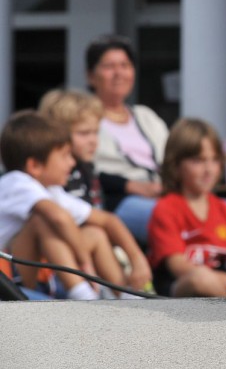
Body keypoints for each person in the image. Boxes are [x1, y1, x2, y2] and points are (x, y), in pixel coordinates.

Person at [0, 111, 151, 299]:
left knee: (95, 233)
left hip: (38, 280)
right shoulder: (15, 182)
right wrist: (84, 263)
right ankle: (84, 296)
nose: (72, 163)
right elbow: (60, 218)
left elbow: (107, 220)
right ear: (35, 166)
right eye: (65, 156)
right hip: (9, 285)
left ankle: (126, 296)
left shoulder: (51, 191)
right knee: (41, 221)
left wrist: (138, 260)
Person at [147, 118, 226, 297]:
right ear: (175, 165)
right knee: (202, 278)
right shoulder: (166, 208)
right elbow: (178, 267)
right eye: (198, 161)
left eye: (215, 160)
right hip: (179, 292)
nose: (209, 169)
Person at [87, 35, 168, 244]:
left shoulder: (145, 115)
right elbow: (82, 168)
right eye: (109, 66)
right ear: (91, 76)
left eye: (125, 65)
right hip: (118, 199)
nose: (119, 73)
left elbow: (173, 157)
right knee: (170, 218)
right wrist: (129, 185)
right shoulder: (84, 118)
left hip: (165, 195)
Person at [37, 88, 104, 207]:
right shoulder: (55, 174)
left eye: (96, 132)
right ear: (57, 133)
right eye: (84, 133)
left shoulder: (87, 166)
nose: (93, 141)